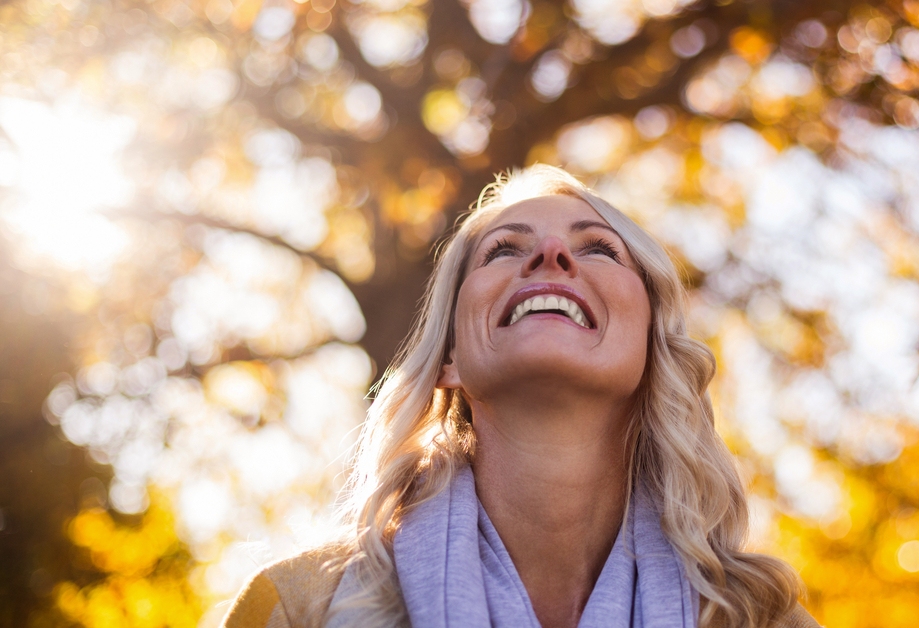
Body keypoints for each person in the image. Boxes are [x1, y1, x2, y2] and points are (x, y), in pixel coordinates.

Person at [222, 165, 820, 628]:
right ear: (449, 358)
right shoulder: (300, 610)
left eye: (598, 248)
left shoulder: (757, 617)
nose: (550, 256)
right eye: (505, 248)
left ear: (651, 348)